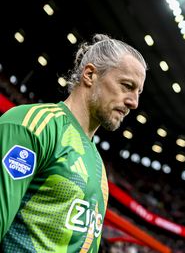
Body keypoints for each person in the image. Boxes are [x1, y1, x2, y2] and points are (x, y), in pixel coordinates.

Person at [0, 33, 147, 252]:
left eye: (139, 92)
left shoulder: (98, 164)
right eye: (127, 85)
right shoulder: (32, 126)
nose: (134, 102)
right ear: (89, 75)